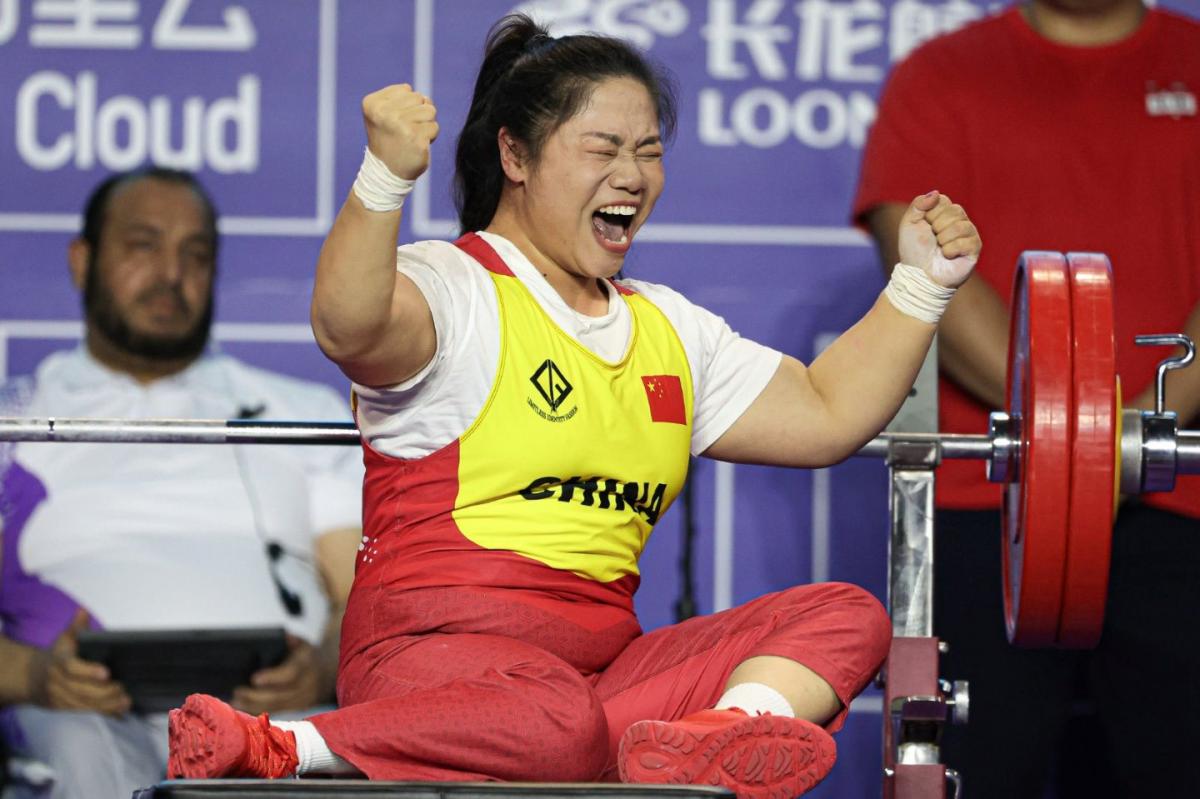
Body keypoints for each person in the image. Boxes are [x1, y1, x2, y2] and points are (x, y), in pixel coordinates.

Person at [166, 14, 982, 798]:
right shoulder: (455, 289)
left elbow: (827, 410)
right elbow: (347, 324)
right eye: (604, 148)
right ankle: (288, 744)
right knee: (553, 725)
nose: (632, 175)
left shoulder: (668, 328)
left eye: (650, 152)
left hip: (599, 689)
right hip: (433, 667)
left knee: (847, 615)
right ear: (515, 156)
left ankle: (716, 738)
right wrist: (385, 179)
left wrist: (919, 284)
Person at [852, 1, 1200, 796]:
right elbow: (922, 264)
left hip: (1179, 495)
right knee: (978, 768)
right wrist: (1071, 439)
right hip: (993, 497)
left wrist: (1128, 436)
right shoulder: (939, 74)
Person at [0, 167, 364, 799]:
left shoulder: (295, 412)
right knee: (82, 759)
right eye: (144, 246)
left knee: (318, 756)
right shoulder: (15, 420)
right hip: (75, 717)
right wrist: (33, 675)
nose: (172, 274)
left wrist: (325, 664)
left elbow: (363, 586)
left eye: (195, 255)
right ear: (82, 261)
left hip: (271, 719)